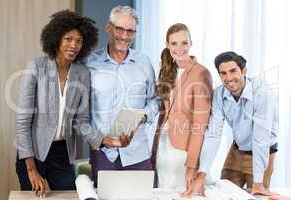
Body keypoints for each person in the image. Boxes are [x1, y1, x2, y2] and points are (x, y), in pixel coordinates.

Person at [15, 10, 101, 197]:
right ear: (56, 39)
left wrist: (103, 141)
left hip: (62, 153)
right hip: (33, 153)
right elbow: (22, 124)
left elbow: (82, 120)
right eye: (68, 39)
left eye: (79, 41)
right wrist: (31, 169)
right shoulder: (36, 67)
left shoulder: (82, 73)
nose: (74, 45)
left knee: (68, 196)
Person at [185, 51, 278, 197]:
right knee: (222, 192)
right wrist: (202, 173)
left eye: (233, 71)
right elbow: (213, 134)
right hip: (237, 149)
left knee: (256, 195)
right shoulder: (219, 94)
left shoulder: (261, 92)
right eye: (223, 73)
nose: (228, 78)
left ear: (244, 71)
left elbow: (261, 138)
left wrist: (258, 182)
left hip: (262, 150)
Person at [86, 5, 159, 187]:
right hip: (104, 154)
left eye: (130, 31)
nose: (125, 36)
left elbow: (155, 100)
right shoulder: (89, 64)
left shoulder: (144, 62)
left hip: (138, 152)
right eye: (119, 29)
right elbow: (81, 115)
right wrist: (100, 140)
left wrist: (143, 116)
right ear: (108, 28)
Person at [152, 23, 213, 194]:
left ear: (191, 44)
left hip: (183, 152)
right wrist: (155, 147)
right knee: (163, 192)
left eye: (184, 43)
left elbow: (200, 125)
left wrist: (192, 166)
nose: (179, 48)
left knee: (184, 194)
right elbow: (163, 114)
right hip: (164, 147)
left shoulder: (201, 74)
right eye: (174, 43)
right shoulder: (166, 71)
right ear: (167, 45)